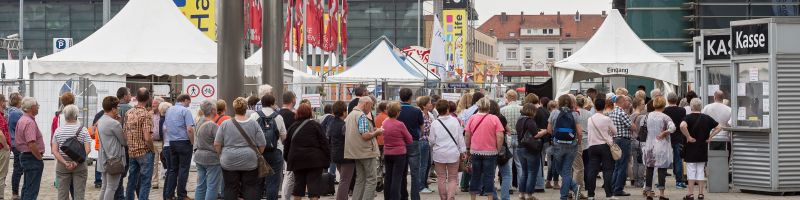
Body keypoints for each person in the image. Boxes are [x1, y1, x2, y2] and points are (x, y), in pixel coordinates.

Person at [214, 97, 266, 200]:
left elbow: (217, 143)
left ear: (234, 109)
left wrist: (220, 155)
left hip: (229, 160)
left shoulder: (225, 124)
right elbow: (262, 143)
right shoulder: (254, 124)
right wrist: (257, 153)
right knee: (250, 187)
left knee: (230, 188)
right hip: (250, 160)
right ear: (246, 108)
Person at [284, 103, 331, 200]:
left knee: (298, 188)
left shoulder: (292, 127)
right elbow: (324, 143)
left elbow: (287, 146)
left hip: (297, 161)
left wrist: (288, 159)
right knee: (313, 189)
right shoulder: (315, 125)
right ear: (310, 113)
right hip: (314, 161)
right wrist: (327, 157)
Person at [680, 99, 722, 200]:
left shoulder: (688, 118)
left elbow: (682, 126)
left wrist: (688, 137)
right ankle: (701, 193)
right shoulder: (706, 118)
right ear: (701, 107)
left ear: (691, 107)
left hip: (691, 148)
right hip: (702, 147)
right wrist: (710, 137)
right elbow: (719, 127)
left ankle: (690, 194)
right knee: (700, 171)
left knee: (691, 171)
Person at [344, 96, 383, 200]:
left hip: (355, 152)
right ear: (366, 104)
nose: (371, 109)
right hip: (366, 152)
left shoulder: (350, 115)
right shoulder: (361, 116)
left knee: (360, 179)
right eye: (371, 106)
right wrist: (377, 132)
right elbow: (365, 136)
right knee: (371, 179)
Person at [249, 94, 288, 200]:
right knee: (273, 183)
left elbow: (250, 135)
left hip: (258, 153)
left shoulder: (254, 116)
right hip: (275, 152)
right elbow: (284, 136)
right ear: (272, 103)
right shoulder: (278, 117)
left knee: (258, 183)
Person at [465, 97, 504, 200]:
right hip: (491, 152)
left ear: (478, 106)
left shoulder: (472, 118)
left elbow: (467, 135)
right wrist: (498, 149)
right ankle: (490, 198)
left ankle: (473, 198)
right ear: (489, 107)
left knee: (475, 175)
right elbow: (500, 136)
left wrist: (468, 148)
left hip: (475, 151)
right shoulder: (494, 118)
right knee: (489, 177)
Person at [547, 95, 584, 200]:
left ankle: (565, 195)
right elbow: (580, 132)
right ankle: (575, 189)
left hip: (557, 145)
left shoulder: (554, 113)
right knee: (566, 171)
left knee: (559, 169)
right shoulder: (575, 114)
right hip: (571, 145)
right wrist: (579, 142)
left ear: (559, 102)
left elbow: (549, 130)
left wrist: (555, 134)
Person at [51, 105, 91, 200]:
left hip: (62, 164)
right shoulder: (83, 130)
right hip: (80, 164)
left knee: (62, 194)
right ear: (76, 115)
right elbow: (88, 149)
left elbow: (54, 151)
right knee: (79, 194)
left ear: (64, 116)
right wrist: (76, 162)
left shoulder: (58, 131)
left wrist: (65, 162)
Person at [430, 100, 467, 200]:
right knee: (452, 178)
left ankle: (443, 198)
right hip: (453, 153)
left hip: (439, 154)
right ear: (447, 109)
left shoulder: (434, 123)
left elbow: (431, 140)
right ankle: (451, 197)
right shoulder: (455, 121)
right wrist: (463, 151)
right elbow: (460, 138)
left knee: (441, 178)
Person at [642, 96, 676, 200]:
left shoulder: (647, 116)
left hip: (649, 145)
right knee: (661, 169)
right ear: (664, 105)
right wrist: (665, 132)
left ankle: (648, 193)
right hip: (662, 146)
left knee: (649, 169)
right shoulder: (665, 117)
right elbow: (673, 128)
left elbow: (642, 128)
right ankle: (661, 194)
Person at [124, 88, 155, 200]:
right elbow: (147, 137)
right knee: (145, 181)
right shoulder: (146, 115)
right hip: (144, 152)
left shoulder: (129, 113)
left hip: (132, 151)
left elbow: (125, 133)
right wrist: (152, 149)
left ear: (136, 98)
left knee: (131, 180)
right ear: (148, 98)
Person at [379, 102, 413, 199]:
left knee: (388, 177)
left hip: (387, 153)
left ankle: (387, 197)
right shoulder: (400, 124)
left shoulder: (384, 122)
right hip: (399, 154)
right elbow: (409, 139)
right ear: (397, 112)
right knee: (397, 179)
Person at [164, 94, 195, 200]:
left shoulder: (169, 110)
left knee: (173, 169)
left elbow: (166, 127)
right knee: (183, 169)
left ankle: (169, 195)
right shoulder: (185, 111)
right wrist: (192, 142)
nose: (189, 104)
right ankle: (182, 195)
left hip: (172, 142)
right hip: (184, 142)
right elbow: (190, 129)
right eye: (189, 102)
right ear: (185, 100)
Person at [585, 98, 617, 200]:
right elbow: (615, 131)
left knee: (592, 171)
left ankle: (590, 195)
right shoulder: (606, 119)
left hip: (592, 146)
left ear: (595, 106)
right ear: (604, 107)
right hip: (604, 146)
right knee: (607, 170)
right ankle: (609, 195)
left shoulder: (590, 119)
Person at [395, 88, 424, 200]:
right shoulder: (416, 111)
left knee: (402, 172)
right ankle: (415, 197)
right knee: (415, 172)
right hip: (413, 142)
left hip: (400, 143)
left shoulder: (396, 110)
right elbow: (422, 129)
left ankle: (403, 196)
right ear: (411, 97)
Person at [97, 96, 127, 200]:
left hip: (104, 157)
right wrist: (120, 123)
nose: (118, 110)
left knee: (105, 187)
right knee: (111, 187)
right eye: (117, 107)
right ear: (113, 109)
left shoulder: (100, 120)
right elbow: (124, 141)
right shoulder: (114, 123)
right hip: (114, 158)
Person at [514, 103, 545, 200]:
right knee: (532, 172)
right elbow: (535, 135)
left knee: (524, 172)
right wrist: (545, 131)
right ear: (532, 111)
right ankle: (529, 194)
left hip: (520, 148)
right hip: (530, 149)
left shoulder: (519, 120)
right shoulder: (530, 121)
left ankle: (521, 193)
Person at [16, 97, 44, 200]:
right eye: (37, 106)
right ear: (32, 107)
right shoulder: (29, 122)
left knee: (27, 187)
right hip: (32, 157)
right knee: (32, 190)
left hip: (26, 156)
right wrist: (39, 158)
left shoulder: (23, 119)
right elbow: (31, 143)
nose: (38, 108)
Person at [608, 94, 635, 197]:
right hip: (623, 140)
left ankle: (613, 187)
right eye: (625, 101)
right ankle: (618, 189)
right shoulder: (622, 113)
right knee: (622, 166)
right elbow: (632, 127)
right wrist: (633, 126)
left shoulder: (612, 112)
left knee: (617, 166)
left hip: (615, 139)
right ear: (621, 101)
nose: (627, 103)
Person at [194, 100, 221, 200]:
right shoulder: (213, 126)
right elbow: (219, 143)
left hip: (199, 156)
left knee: (201, 185)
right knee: (212, 186)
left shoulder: (199, 121)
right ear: (213, 110)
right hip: (212, 158)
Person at [488, 99, 513, 200]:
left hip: (489, 148)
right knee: (506, 174)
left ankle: (494, 196)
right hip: (502, 148)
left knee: (490, 175)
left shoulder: (486, 118)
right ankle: (505, 197)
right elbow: (508, 130)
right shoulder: (501, 118)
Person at [328, 101, 353, 200]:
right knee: (345, 181)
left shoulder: (332, 123)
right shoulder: (343, 125)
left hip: (335, 155)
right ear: (343, 112)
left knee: (343, 179)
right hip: (346, 156)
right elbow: (349, 139)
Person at [663, 92, 687, 189]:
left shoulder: (664, 110)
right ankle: (679, 181)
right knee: (678, 159)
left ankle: (661, 181)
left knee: (664, 159)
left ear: (668, 100)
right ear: (677, 100)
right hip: (678, 137)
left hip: (667, 137)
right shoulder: (682, 110)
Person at [572, 95, 592, 200]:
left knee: (575, 168)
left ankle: (574, 189)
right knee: (587, 165)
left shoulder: (573, 113)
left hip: (576, 141)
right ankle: (586, 186)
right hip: (586, 141)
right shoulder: (589, 114)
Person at [702, 91, 732, 160]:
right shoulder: (729, 110)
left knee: (710, 159)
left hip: (710, 137)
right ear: (723, 98)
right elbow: (730, 124)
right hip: (724, 138)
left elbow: (702, 121)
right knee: (723, 160)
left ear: (714, 97)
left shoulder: (707, 107)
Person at [278, 91, 297, 200]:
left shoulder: (277, 114)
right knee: (290, 175)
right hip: (290, 148)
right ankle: (285, 197)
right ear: (293, 100)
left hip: (278, 147)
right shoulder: (293, 115)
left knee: (285, 175)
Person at [417, 96, 436, 194]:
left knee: (428, 164)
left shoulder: (429, 114)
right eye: (429, 103)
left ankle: (424, 184)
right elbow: (422, 130)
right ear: (424, 105)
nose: (431, 104)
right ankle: (421, 186)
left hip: (427, 141)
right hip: (422, 141)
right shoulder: (420, 115)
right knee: (423, 165)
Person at [8, 92, 24, 200]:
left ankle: (15, 192)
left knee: (18, 167)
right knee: (18, 168)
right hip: (17, 143)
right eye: (20, 100)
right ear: (17, 101)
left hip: (14, 143)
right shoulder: (16, 113)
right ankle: (15, 193)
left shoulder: (10, 111)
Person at [151, 97, 165, 189]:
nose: (153, 106)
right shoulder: (150, 114)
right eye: (152, 105)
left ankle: (167, 181)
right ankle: (154, 182)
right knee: (154, 163)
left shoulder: (165, 115)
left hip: (162, 142)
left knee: (166, 162)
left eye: (154, 105)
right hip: (152, 142)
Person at [0, 94, 10, 200]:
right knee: (1, 174)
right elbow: (0, 133)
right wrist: (6, 146)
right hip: (2, 148)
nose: (5, 104)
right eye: (4, 101)